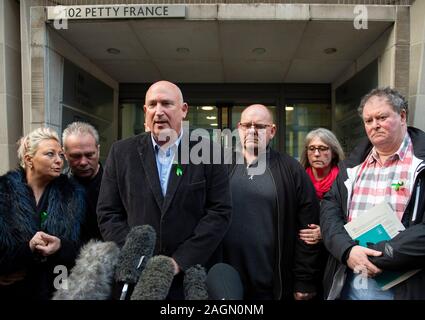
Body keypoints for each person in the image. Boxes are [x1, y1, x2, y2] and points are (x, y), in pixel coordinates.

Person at [97, 80, 232, 299]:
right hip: (138, 278)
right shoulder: (121, 153)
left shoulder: (209, 152)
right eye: (152, 105)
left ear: (184, 110)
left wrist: (178, 261)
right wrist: (137, 256)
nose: (158, 112)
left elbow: (219, 212)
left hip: (190, 277)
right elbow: (108, 213)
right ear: (145, 111)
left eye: (166, 104)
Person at [321, 87, 425, 300]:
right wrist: (347, 251)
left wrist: (377, 255)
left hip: (405, 286)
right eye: (368, 120)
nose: (374, 125)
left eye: (381, 117)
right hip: (350, 283)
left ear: (402, 116)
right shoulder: (351, 166)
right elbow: (329, 214)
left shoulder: (420, 163)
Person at [222, 104, 321, 300]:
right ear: (239, 129)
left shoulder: (292, 170)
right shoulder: (221, 167)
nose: (252, 130)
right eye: (246, 125)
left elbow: (308, 231)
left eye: (259, 126)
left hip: (273, 282)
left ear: (272, 131)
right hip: (227, 279)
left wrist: (304, 280)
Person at [0, 127, 85, 299]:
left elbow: (87, 246)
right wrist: (27, 249)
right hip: (15, 291)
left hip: (58, 289)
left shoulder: (73, 195)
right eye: (50, 154)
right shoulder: (4, 193)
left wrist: (61, 246)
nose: (59, 161)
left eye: (61, 155)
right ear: (29, 159)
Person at [298, 128, 345, 298]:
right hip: (302, 262)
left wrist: (325, 233)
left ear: (333, 152)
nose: (316, 153)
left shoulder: (345, 181)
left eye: (323, 148)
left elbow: (354, 220)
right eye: (312, 149)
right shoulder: (298, 179)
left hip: (335, 259)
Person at [63, 121, 103, 241]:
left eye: (89, 155)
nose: (83, 162)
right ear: (65, 154)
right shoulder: (57, 187)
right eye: (76, 156)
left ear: (98, 150)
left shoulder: (117, 184)